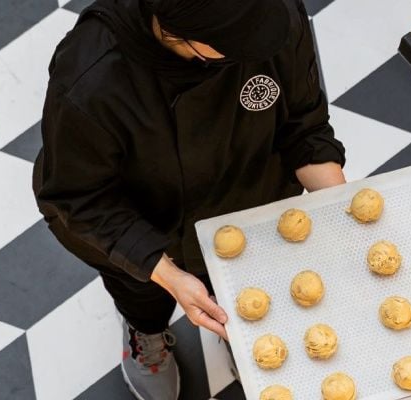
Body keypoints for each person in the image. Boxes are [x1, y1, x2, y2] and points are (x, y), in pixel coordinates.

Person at [32, 0, 346, 398]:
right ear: (180, 35)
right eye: (239, 46)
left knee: (250, 284)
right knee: (142, 294)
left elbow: (303, 125)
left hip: (251, 196)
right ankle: (146, 333)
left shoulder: (271, 15)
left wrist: (341, 204)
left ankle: (245, 333)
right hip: (142, 225)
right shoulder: (92, 80)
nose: (259, 50)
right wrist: (170, 276)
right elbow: (80, 197)